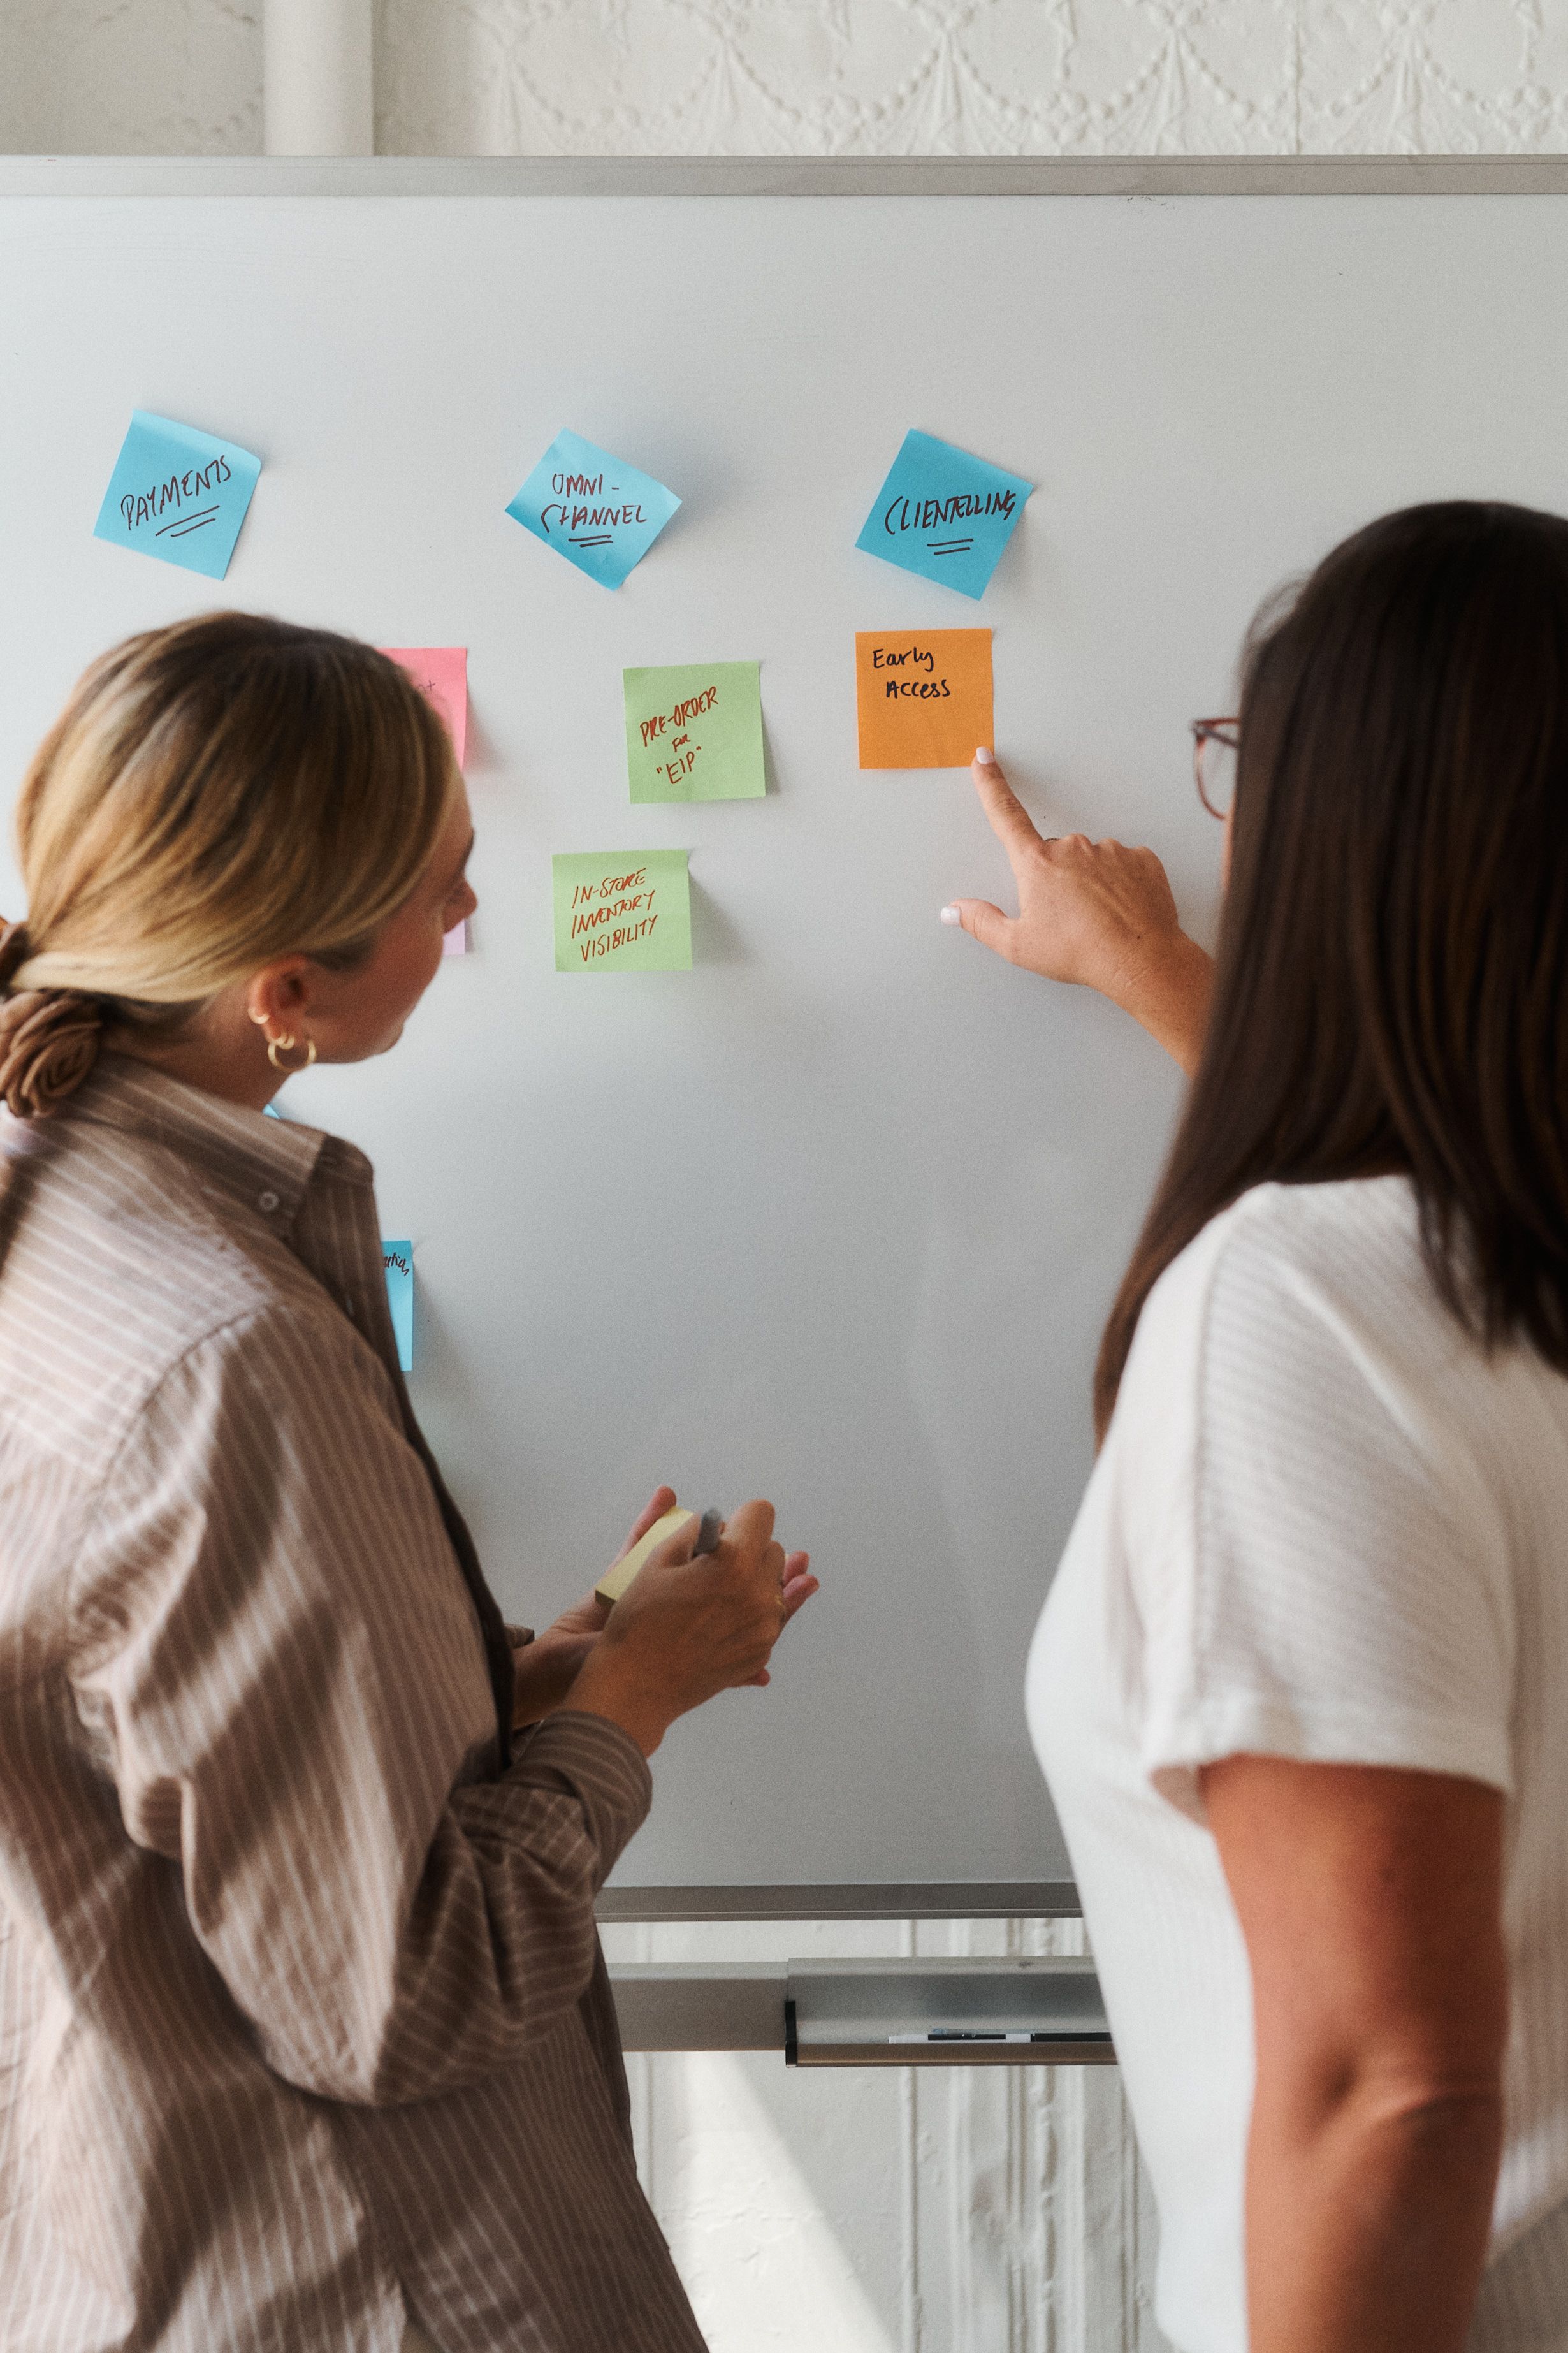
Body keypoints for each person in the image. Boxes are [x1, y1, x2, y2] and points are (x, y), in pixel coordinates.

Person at [0, 611, 817, 2353]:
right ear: (283, 992)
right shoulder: (224, 1354)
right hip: (373, 2282)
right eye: (447, 884)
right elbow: (401, 1994)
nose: (469, 916)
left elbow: (166, 1753)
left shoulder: (50, 1221)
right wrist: (634, 1704)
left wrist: (545, 1667)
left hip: (144, 2243)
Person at [945, 502, 1568, 2352]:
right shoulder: (1464, 1275)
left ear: (1334, 829)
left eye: (1243, 764)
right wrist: (1162, 982)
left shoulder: (1289, 1309)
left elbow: (1392, 2087)